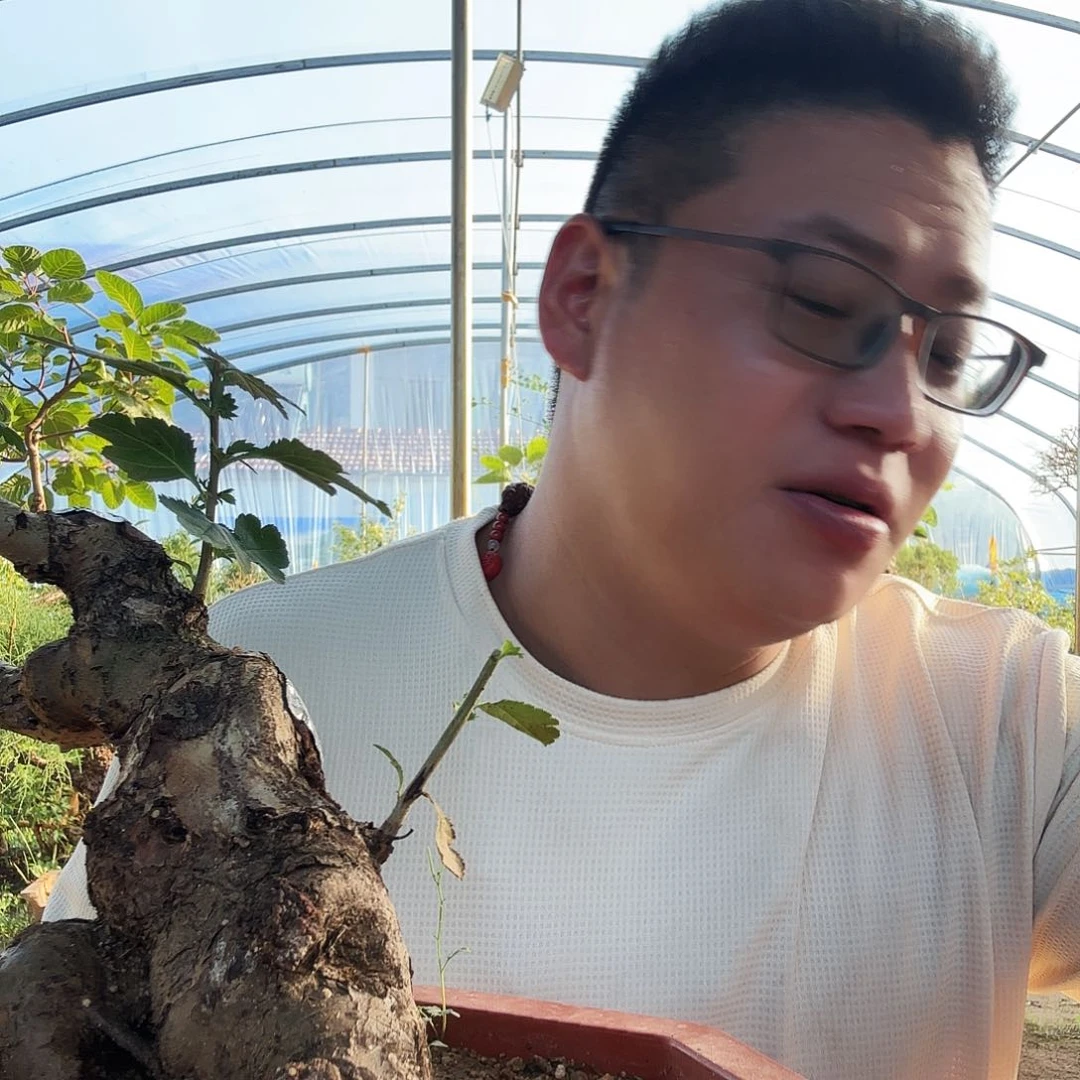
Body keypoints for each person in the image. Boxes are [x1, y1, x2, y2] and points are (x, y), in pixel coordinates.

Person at [45, 0, 1080, 1076]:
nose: (902, 411)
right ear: (584, 297)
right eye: (821, 301)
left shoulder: (1006, 722)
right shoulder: (258, 695)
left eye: (947, 355)